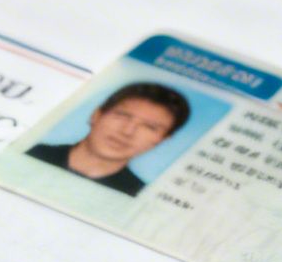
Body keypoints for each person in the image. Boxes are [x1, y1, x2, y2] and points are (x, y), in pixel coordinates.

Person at [24, 82, 191, 195]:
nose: (127, 131)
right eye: (122, 116)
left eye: (150, 127)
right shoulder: (31, 152)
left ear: (162, 139)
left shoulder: (136, 194)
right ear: (96, 115)